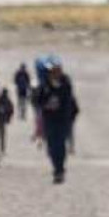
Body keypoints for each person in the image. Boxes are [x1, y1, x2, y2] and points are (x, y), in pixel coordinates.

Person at [35, 56, 79, 184]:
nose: (55, 73)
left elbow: (68, 100)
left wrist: (59, 103)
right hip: (49, 120)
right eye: (52, 70)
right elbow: (37, 100)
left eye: (56, 70)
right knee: (51, 147)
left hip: (62, 119)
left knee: (60, 145)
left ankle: (59, 170)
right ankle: (57, 167)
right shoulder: (44, 85)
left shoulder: (66, 82)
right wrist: (46, 105)